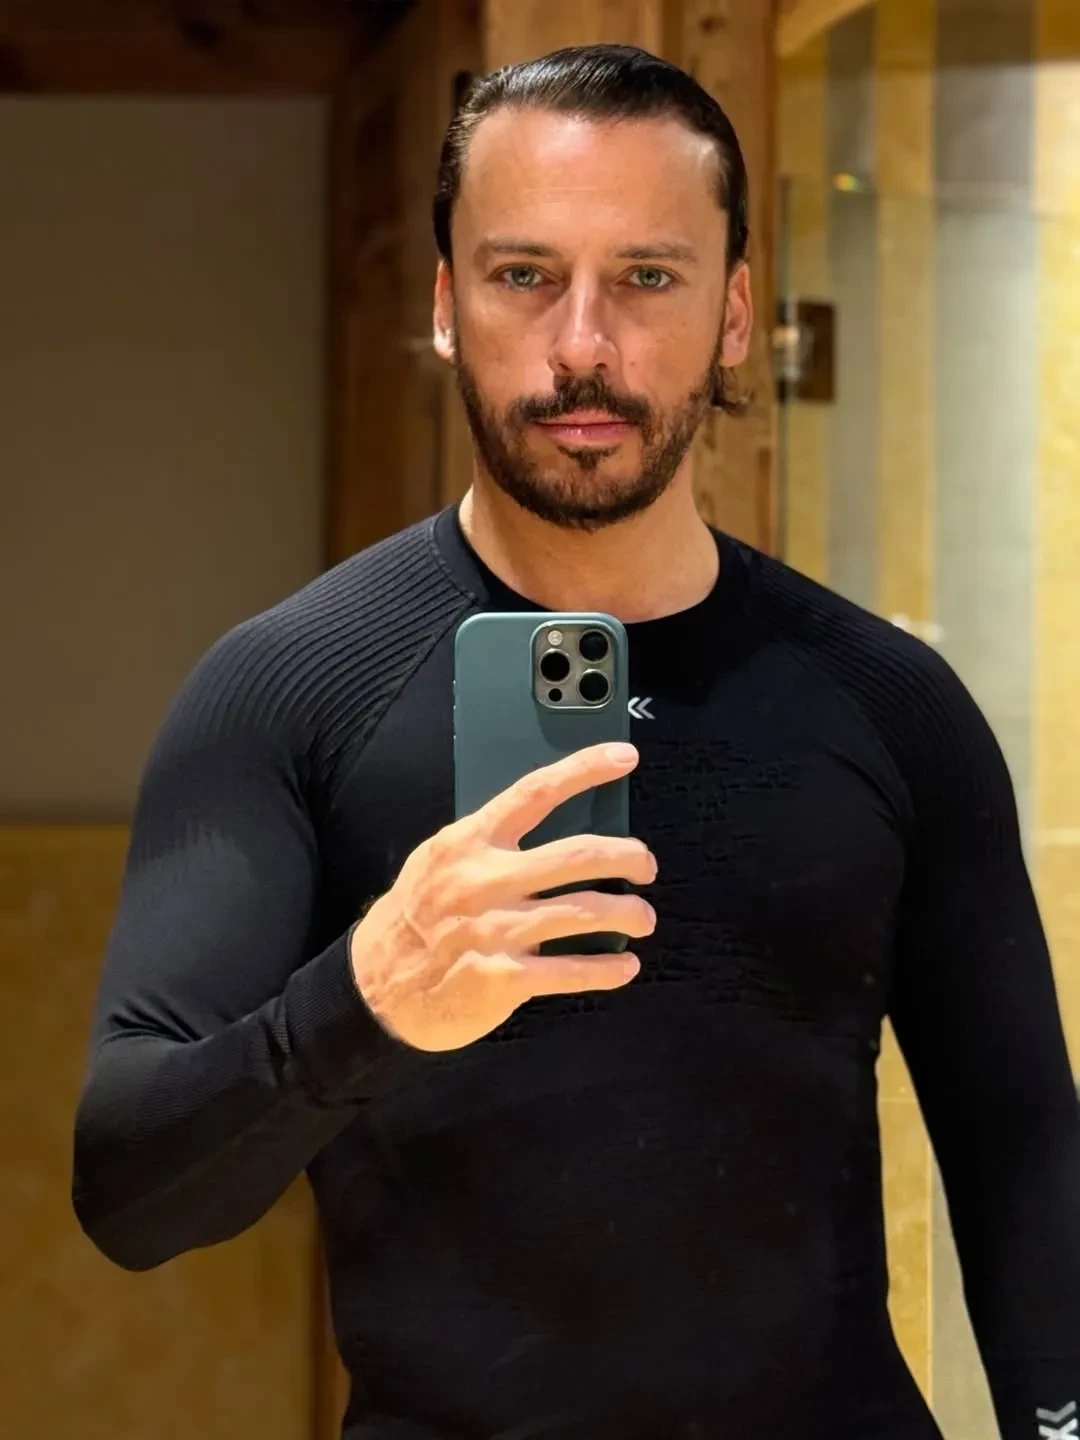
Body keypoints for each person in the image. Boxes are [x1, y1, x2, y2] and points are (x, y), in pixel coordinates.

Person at [73, 43, 1080, 1440]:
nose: (584, 346)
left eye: (648, 277)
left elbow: (1024, 1162)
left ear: (734, 315)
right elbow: (130, 1191)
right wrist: (360, 1003)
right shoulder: (285, 691)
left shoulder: (892, 706)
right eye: (525, 275)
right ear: (447, 305)